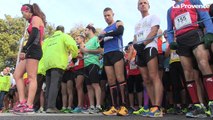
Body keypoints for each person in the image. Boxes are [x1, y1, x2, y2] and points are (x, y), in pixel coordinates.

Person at [167, 0, 213, 118]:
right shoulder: (170, 10)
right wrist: (172, 42)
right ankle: (198, 106)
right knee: (188, 73)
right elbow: (170, 29)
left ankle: (212, 103)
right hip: (181, 40)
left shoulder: (193, 0)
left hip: (195, 34)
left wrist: (210, 32)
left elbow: (205, 16)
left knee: (203, 64)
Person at [13, 3, 46, 114]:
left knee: (32, 77)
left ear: (28, 11)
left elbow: (35, 33)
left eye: (23, 13)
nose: (22, 16)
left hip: (34, 49)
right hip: (31, 50)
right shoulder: (32, 20)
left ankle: (29, 105)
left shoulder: (36, 18)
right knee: (17, 75)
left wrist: (24, 49)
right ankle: (22, 101)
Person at [133, 0, 163, 117]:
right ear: (138, 7)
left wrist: (143, 44)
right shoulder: (137, 24)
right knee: (146, 79)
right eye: (140, 3)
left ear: (148, 5)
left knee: (153, 76)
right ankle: (152, 106)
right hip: (140, 51)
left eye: (145, 2)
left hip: (150, 47)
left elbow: (154, 31)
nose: (143, 4)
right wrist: (136, 45)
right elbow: (135, 37)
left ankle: (157, 107)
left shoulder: (153, 17)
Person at [99, 7, 128, 116]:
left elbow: (120, 31)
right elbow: (102, 44)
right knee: (110, 80)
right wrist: (100, 38)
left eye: (108, 15)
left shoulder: (118, 23)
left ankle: (124, 106)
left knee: (120, 78)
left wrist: (104, 35)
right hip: (107, 55)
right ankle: (114, 106)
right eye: (105, 16)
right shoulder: (104, 29)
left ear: (113, 14)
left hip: (117, 52)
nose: (107, 17)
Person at [43, 25, 78, 113]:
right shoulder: (63, 36)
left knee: (49, 85)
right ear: (62, 30)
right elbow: (73, 45)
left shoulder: (48, 39)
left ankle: (47, 106)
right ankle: (51, 107)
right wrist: (74, 56)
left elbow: (42, 50)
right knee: (55, 85)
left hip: (47, 64)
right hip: (58, 63)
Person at [80, 24, 102, 114]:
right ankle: (92, 106)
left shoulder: (96, 38)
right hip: (86, 65)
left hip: (93, 64)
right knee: (89, 86)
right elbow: (84, 52)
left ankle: (98, 106)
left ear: (90, 30)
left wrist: (87, 51)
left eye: (85, 30)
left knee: (95, 85)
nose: (84, 32)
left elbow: (101, 50)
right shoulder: (87, 42)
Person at [72, 35, 86, 113]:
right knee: (77, 87)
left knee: (79, 86)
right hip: (75, 68)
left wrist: (77, 54)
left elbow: (85, 56)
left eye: (77, 38)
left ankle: (80, 106)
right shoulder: (76, 48)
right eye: (75, 39)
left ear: (82, 39)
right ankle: (80, 105)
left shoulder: (84, 46)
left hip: (82, 67)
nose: (76, 40)